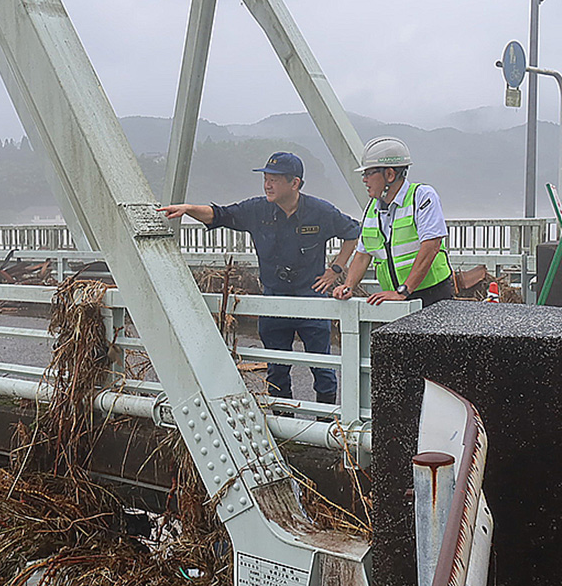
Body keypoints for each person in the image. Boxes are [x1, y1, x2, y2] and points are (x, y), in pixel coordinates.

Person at [161, 152, 360, 406]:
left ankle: (327, 427)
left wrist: (336, 269)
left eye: (274, 180)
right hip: (273, 300)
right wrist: (189, 209)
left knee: (322, 367)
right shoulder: (257, 210)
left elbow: (353, 234)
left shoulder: (320, 211)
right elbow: (219, 215)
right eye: (266, 179)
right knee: (277, 369)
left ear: (295, 183)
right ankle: (283, 423)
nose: (267, 185)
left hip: (312, 299)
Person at [332, 136, 453, 306]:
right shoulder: (372, 209)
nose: (364, 180)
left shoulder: (422, 196)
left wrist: (404, 290)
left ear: (389, 174)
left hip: (432, 296)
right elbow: (363, 253)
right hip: (395, 297)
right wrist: (348, 286)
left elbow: (431, 246)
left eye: (368, 173)